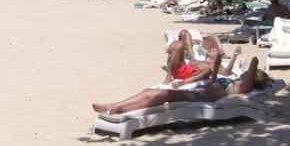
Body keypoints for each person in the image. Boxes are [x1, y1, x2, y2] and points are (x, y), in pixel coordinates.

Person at [93, 53, 269, 115]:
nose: (243, 73)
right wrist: (215, 68)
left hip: (200, 97)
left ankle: (116, 108)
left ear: (252, 78)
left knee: (163, 95)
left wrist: (255, 71)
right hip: (197, 91)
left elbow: (254, 61)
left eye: (247, 74)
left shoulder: (242, 87)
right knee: (150, 91)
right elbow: (213, 83)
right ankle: (116, 106)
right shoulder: (234, 82)